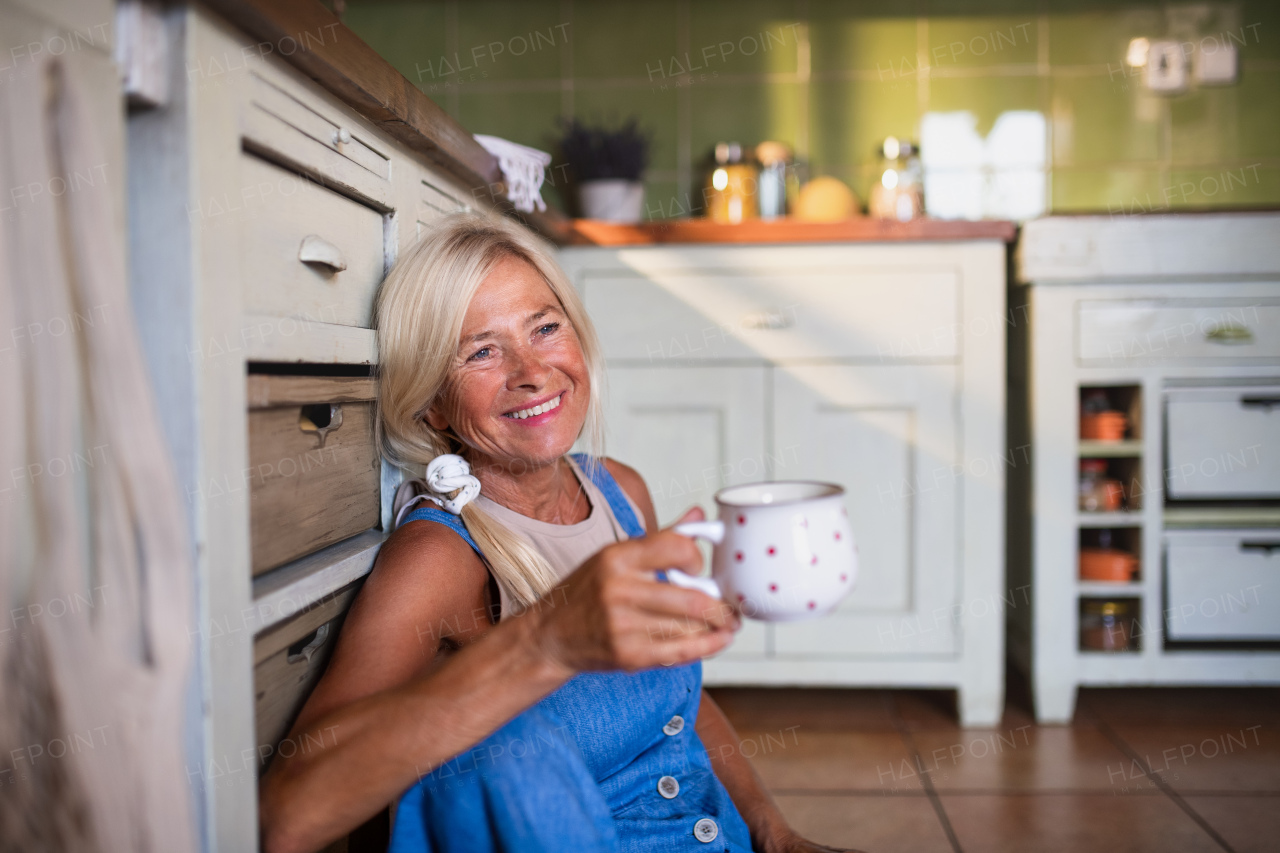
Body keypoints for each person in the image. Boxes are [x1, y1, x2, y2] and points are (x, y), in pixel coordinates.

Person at [258, 212, 860, 853]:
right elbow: (287, 815)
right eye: (482, 351)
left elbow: (681, 706)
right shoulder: (439, 557)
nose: (532, 371)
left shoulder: (620, 492)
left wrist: (776, 835)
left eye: (544, 328)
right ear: (433, 401)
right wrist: (545, 642)